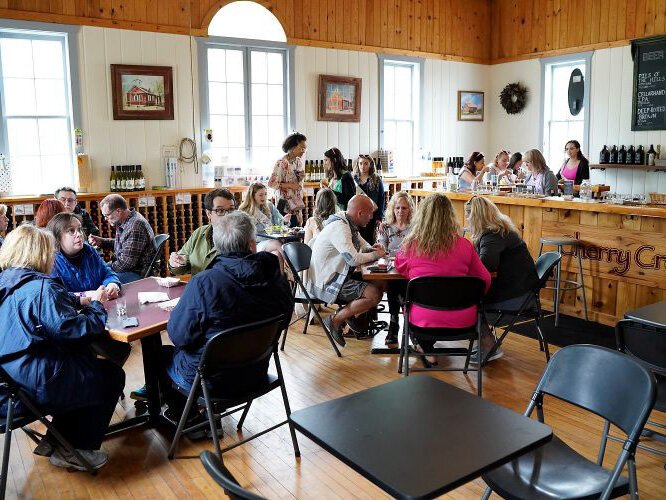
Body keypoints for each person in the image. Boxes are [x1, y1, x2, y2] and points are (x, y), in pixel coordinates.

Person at [0, 225, 125, 471]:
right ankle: (75, 450)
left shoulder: (6, 282)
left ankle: (58, 439)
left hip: (7, 382)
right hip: (30, 385)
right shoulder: (42, 288)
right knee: (109, 374)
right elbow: (76, 332)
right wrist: (96, 306)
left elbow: (32, 304)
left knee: (82, 365)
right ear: (41, 254)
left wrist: (76, 300)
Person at [164, 212, 293, 415]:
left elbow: (179, 336)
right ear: (252, 244)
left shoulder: (204, 283)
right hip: (257, 371)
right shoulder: (274, 274)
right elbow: (284, 320)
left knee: (161, 355)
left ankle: (188, 417)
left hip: (214, 381)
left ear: (217, 247)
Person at [395, 193, 491, 364]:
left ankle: (426, 348)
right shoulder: (465, 245)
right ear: (450, 217)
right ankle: (427, 348)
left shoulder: (411, 245)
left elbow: (400, 267)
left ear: (422, 217)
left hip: (422, 319)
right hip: (464, 318)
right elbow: (484, 279)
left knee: (406, 297)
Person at [465, 196, 540, 361]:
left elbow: (485, 266)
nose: (467, 220)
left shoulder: (492, 236)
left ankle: (488, 343)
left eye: (469, 216)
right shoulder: (501, 230)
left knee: (469, 299)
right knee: (471, 296)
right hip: (523, 289)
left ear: (477, 217)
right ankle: (487, 342)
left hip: (518, 296)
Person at [305, 195, 387, 346]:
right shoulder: (340, 227)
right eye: (370, 213)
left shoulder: (347, 222)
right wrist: (376, 254)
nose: (371, 217)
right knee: (374, 294)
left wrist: (374, 249)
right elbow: (353, 259)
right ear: (360, 213)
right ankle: (335, 320)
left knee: (381, 281)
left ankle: (354, 317)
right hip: (327, 281)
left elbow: (364, 246)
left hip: (338, 275)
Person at [88, 194, 156, 283]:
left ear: (118, 211)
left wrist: (103, 268)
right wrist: (102, 242)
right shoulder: (126, 220)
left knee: (97, 280)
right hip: (128, 268)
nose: (105, 219)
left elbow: (126, 264)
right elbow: (123, 245)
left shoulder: (135, 225)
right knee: (93, 273)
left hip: (137, 273)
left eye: (107, 215)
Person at [169, 188, 235, 276]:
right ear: (209, 214)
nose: (227, 216)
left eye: (231, 210)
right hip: (198, 288)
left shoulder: (240, 237)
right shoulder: (199, 233)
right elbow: (180, 267)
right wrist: (177, 262)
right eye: (220, 211)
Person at [377, 191, 415, 345]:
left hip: (409, 268)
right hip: (391, 268)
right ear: (393, 209)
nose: (400, 211)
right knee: (393, 282)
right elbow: (381, 249)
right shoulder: (385, 227)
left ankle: (402, 322)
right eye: (397, 208)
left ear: (410, 210)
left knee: (403, 284)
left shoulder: (415, 228)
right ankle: (395, 322)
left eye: (404, 208)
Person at [268, 132, 307, 227]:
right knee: (286, 234)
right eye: (301, 148)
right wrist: (289, 185)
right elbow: (271, 184)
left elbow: (298, 184)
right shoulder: (281, 163)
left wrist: (301, 177)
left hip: (296, 205)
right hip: (284, 205)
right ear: (292, 148)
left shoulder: (298, 162)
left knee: (296, 233)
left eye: (305, 149)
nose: (303, 151)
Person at [353, 154, 385, 244]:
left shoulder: (377, 179)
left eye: (366, 163)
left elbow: (381, 198)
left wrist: (379, 217)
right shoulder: (353, 179)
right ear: (357, 165)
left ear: (370, 164)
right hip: (357, 216)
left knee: (370, 241)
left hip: (372, 216)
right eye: (361, 163)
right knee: (357, 241)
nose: (363, 166)